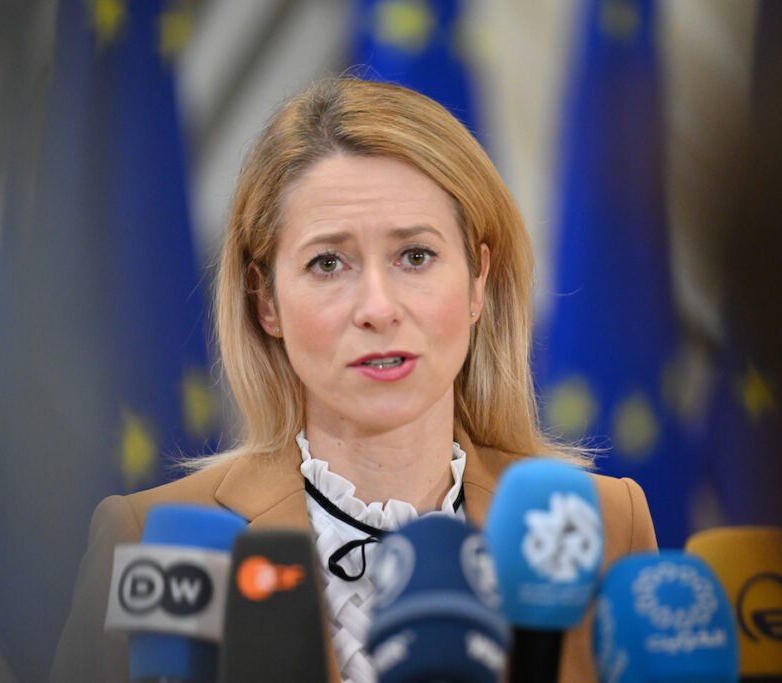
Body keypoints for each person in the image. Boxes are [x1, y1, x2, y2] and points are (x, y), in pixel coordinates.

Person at [49, 76, 657, 683]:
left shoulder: (605, 526)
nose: (378, 308)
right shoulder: (148, 541)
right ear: (266, 302)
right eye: (328, 263)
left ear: (478, 282)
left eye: (415, 256)